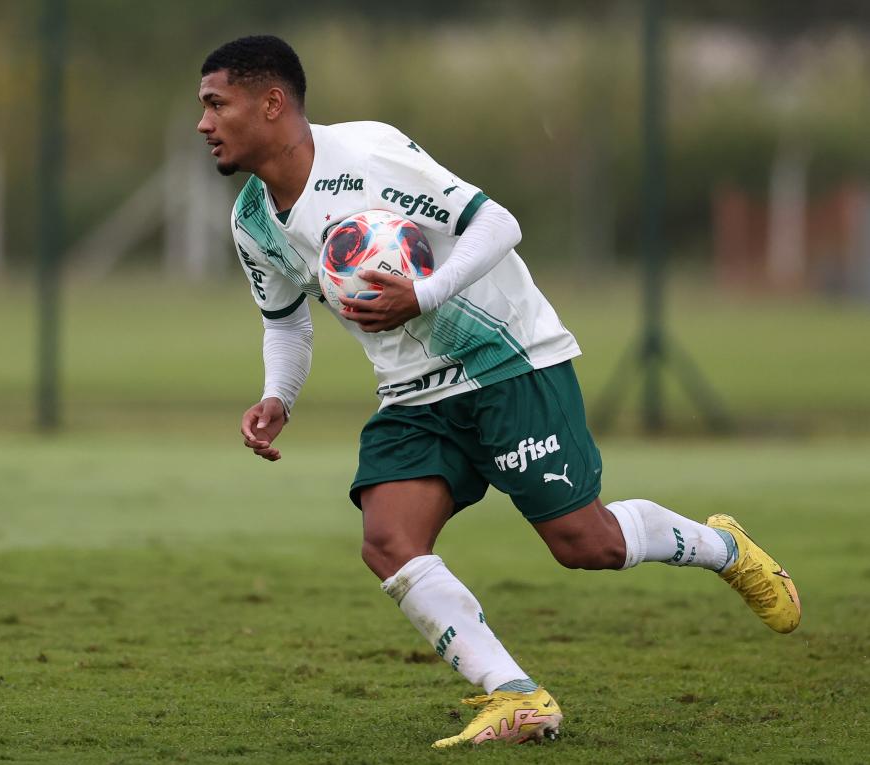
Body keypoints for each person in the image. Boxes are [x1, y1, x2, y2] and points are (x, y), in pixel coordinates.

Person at [197, 35, 801, 748]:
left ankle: (722, 547)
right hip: (413, 393)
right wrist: (279, 397)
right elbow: (287, 324)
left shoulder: (366, 155)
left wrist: (423, 292)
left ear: (272, 104)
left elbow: (496, 223)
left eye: (215, 104)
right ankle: (516, 694)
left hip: (509, 361)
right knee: (388, 538)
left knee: (586, 543)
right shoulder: (253, 222)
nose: (204, 123)